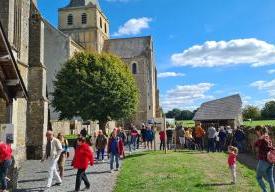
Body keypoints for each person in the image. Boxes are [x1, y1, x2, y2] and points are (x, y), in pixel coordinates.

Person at [254, 126, 274, 192]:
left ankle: (265, 191)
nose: (256, 133)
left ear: (259, 131)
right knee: (270, 179)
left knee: (258, 177)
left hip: (263, 160)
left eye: (256, 131)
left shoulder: (262, 138)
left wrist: (259, 139)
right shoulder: (268, 137)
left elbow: (255, 145)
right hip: (271, 161)